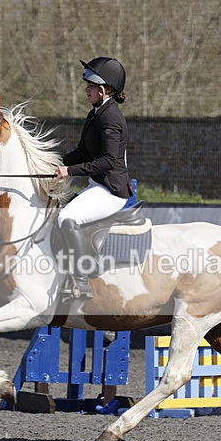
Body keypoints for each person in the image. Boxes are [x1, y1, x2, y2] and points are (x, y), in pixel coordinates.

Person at [55, 56, 132, 301]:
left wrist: (70, 171)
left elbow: (109, 161)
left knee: (67, 217)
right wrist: (57, 162)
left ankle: (81, 282)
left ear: (105, 89)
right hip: (97, 185)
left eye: (90, 85)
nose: (86, 89)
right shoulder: (97, 113)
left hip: (110, 190)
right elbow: (84, 151)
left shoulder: (110, 119)